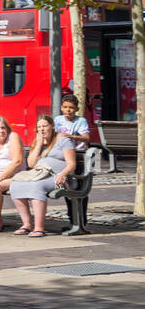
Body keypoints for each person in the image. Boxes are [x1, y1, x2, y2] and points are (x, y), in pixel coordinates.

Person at [10, 114, 78, 237]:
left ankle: (39, 227)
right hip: (40, 174)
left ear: (52, 126)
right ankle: (26, 224)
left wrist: (62, 174)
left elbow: (71, 164)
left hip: (59, 177)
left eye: (45, 126)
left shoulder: (63, 140)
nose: (41, 129)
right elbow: (31, 164)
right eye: (39, 127)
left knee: (36, 186)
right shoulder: (38, 142)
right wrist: (39, 144)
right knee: (15, 185)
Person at [55, 94, 92, 233]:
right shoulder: (58, 120)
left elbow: (86, 138)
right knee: (68, 190)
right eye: (65, 107)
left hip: (79, 157)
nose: (68, 110)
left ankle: (82, 221)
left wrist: (72, 137)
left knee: (80, 190)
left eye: (71, 108)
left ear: (76, 109)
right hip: (64, 157)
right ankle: (72, 221)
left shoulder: (81, 121)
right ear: (61, 108)